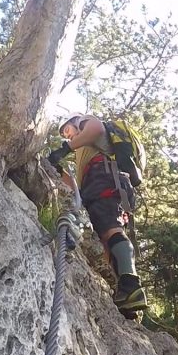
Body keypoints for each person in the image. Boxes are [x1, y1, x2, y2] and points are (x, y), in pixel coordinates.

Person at [48, 112, 147, 317]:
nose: (67, 136)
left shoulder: (86, 123)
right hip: (98, 183)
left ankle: (131, 284)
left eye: (67, 130)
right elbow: (76, 185)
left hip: (105, 179)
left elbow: (97, 128)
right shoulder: (84, 151)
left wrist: (65, 148)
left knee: (111, 229)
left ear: (75, 122)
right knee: (105, 236)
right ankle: (126, 295)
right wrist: (57, 170)